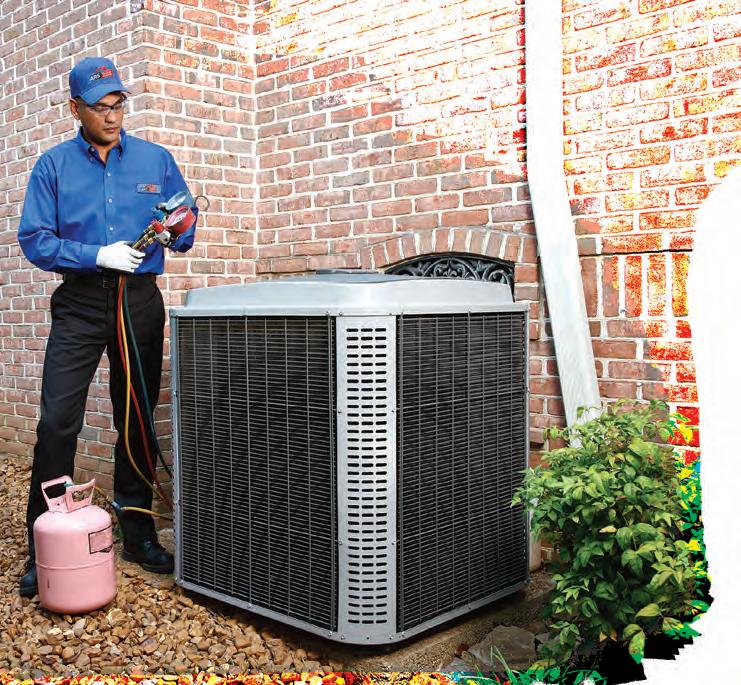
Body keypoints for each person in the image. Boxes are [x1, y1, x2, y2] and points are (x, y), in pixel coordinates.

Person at [17, 56, 197, 597]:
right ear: (76, 108)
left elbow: (186, 230)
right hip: (80, 303)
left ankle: (137, 533)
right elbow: (35, 239)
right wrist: (95, 253)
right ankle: (44, 543)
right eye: (101, 107)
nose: (113, 116)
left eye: (119, 104)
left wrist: (177, 228)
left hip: (139, 301)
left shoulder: (155, 159)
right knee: (58, 422)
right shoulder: (52, 167)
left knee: (136, 417)